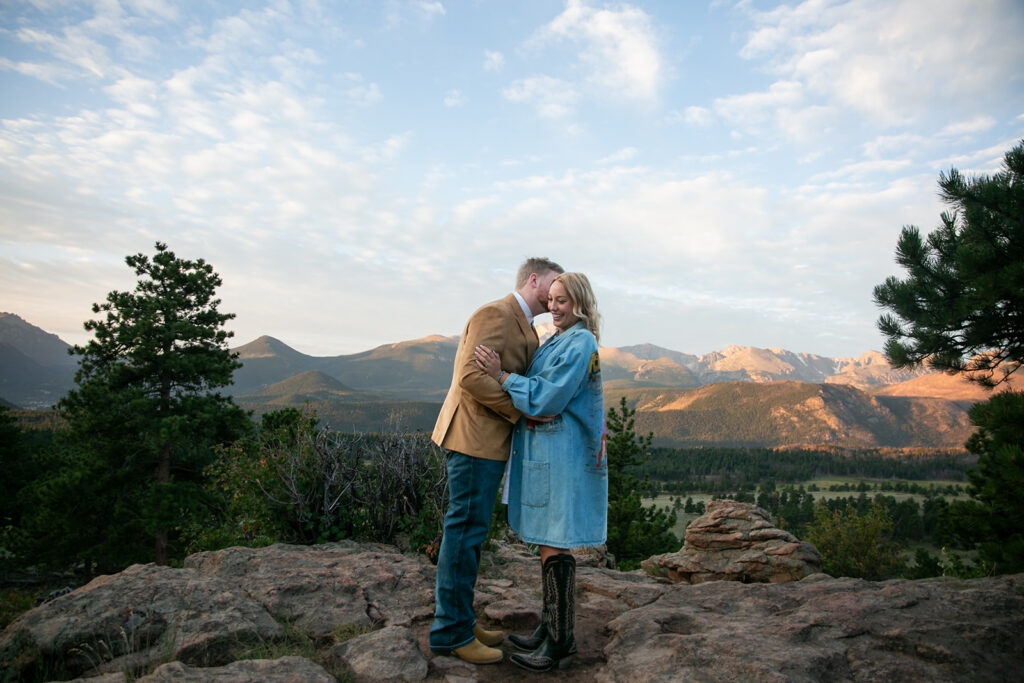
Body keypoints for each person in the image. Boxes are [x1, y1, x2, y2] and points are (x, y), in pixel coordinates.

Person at [429, 257, 564, 664]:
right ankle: (449, 633)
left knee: (470, 534)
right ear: (534, 279)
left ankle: (460, 620)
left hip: (484, 443)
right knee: (464, 533)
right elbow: (470, 376)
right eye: (556, 284)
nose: (561, 294)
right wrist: (520, 412)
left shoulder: (522, 323)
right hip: (472, 439)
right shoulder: (496, 313)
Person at [473, 272, 606, 673]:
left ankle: (561, 641)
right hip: (551, 453)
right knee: (550, 544)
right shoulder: (561, 340)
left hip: (562, 456)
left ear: (579, 303)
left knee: (554, 544)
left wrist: (500, 376)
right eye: (551, 300)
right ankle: (550, 628)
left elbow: (548, 395)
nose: (553, 307)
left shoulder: (581, 343)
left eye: (562, 301)